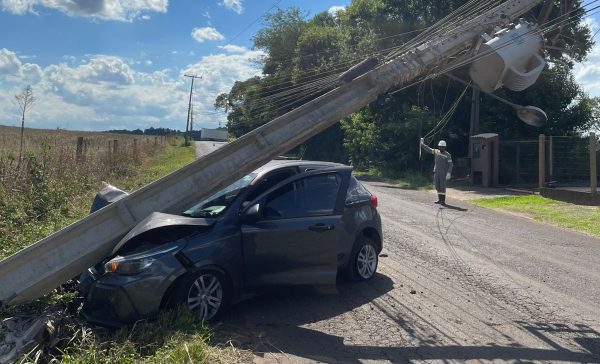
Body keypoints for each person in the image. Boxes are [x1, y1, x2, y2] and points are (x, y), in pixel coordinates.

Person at [420, 138, 453, 205]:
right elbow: (428, 149)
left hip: (443, 174)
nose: (441, 148)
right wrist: (422, 144)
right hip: (436, 172)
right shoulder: (436, 151)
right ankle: (439, 200)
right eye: (440, 147)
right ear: (439, 146)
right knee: (437, 186)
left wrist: (449, 173)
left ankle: (443, 201)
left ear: (445, 147)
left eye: (443, 147)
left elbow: (451, 164)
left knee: (442, 187)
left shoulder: (448, 155)